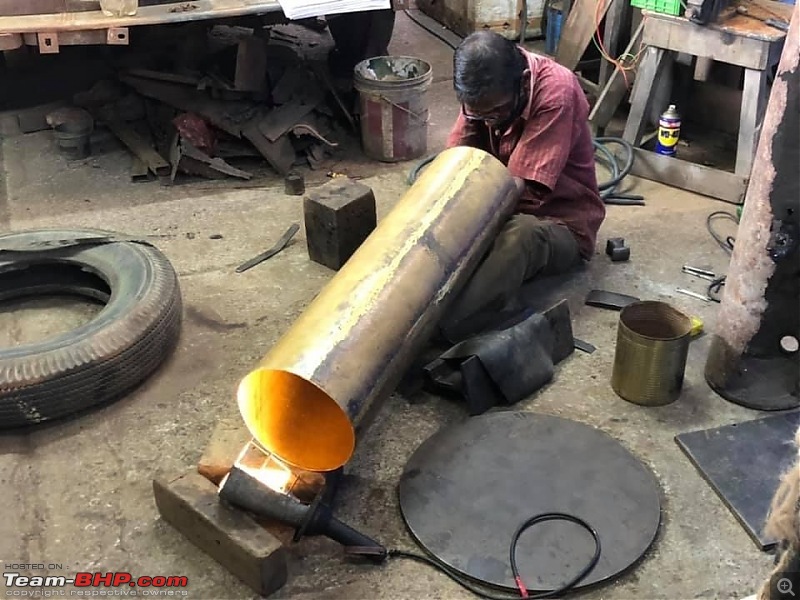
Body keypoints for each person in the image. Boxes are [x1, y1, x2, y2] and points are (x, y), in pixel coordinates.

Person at [440, 30, 606, 337]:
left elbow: (523, 192)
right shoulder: (483, 97)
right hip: (502, 202)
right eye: (478, 114)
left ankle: (443, 328)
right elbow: (457, 158)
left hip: (559, 220)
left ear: (524, 80)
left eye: (497, 112)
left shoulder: (557, 92)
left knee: (519, 236)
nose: (488, 121)